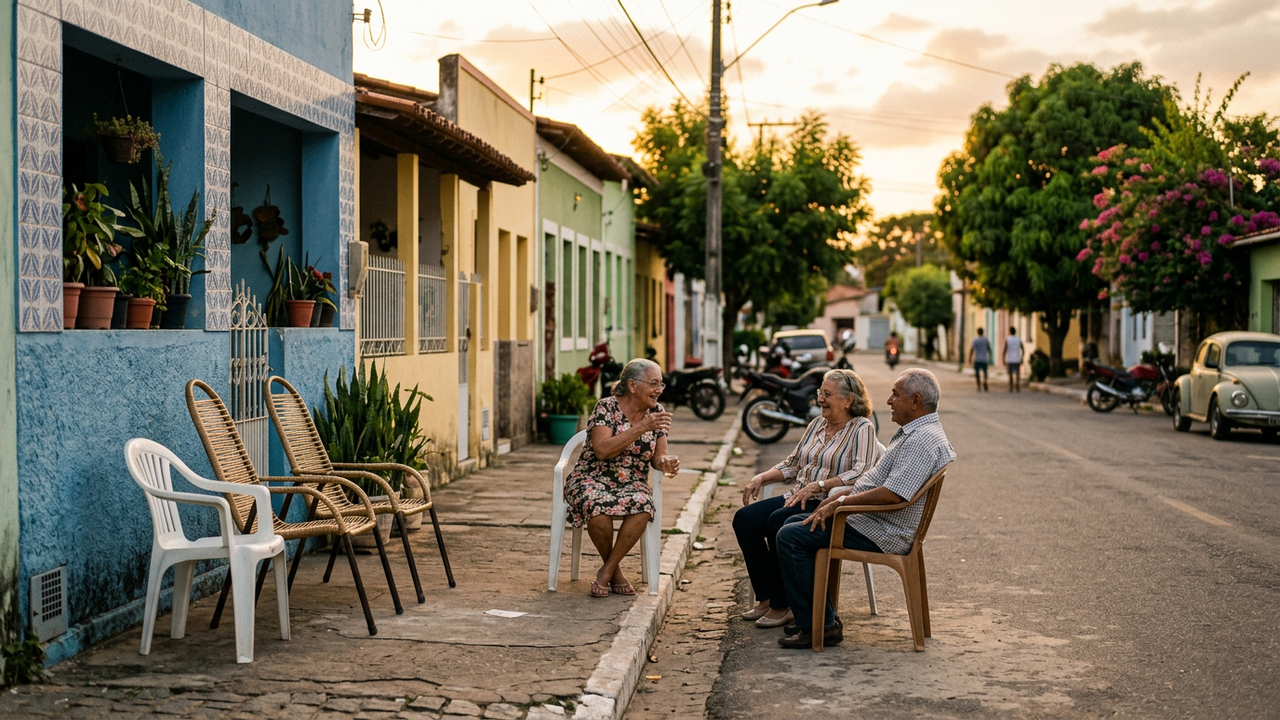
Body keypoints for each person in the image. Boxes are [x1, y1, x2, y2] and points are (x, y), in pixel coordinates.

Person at [773, 368, 956, 649]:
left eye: (896, 395)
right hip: (871, 520)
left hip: (882, 531)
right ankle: (820, 618)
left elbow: (894, 495)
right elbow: (880, 483)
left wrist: (841, 503)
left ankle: (819, 626)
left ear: (916, 401)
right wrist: (839, 496)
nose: (889, 401)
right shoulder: (918, 431)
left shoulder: (922, 440)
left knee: (791, 536)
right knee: (792, 522)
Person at [734, 370, 881, 629]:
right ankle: (767, 597)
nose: (820, 400)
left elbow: (862, 472)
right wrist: (763, 477)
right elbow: (793, 464)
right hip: (799, 495)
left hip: (829, 502)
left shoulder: (862, 428)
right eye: (819, 393)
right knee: (744, 519)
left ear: (848, 400)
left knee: (778, 521)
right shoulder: (816, 425)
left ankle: (783, 605)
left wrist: (820, 485)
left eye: (827, 394)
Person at [563, 358, 680, 598]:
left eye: (661, 384)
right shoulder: (606, 407)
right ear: (632, 385)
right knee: (597, 507)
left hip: (632, 481)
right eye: (654, 383)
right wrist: (641, 428)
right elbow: (602, 450)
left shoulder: (656, 412)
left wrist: (666, 463)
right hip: (592, 476)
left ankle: (606, 570)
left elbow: (659, 457)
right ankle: (614, 573)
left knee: (644, 506)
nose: (659, 390)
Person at [970, 327, 991, 392]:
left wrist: (970, 358)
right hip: (984, 358)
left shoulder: (975, 340)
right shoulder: (986, 340)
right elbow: (989, 349)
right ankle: (985, 381)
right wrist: (989, 357)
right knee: (985, 372)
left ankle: (979, 386)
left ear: (977, 332)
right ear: (983, 332)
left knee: (977, 373)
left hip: (977, 359)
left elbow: (972, 349)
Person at [1004, 327, 1024, 392]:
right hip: (1017, 358)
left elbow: (1005, 349)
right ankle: (1017, 386)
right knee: (1017, 373)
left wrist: (1003, 358)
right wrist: (1022, 357)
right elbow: (1023, 349)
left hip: (1010, 359)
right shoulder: (1018, 339)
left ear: (1010, 332)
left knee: (1010, 374)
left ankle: (1011, 387)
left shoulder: (1008, 339)